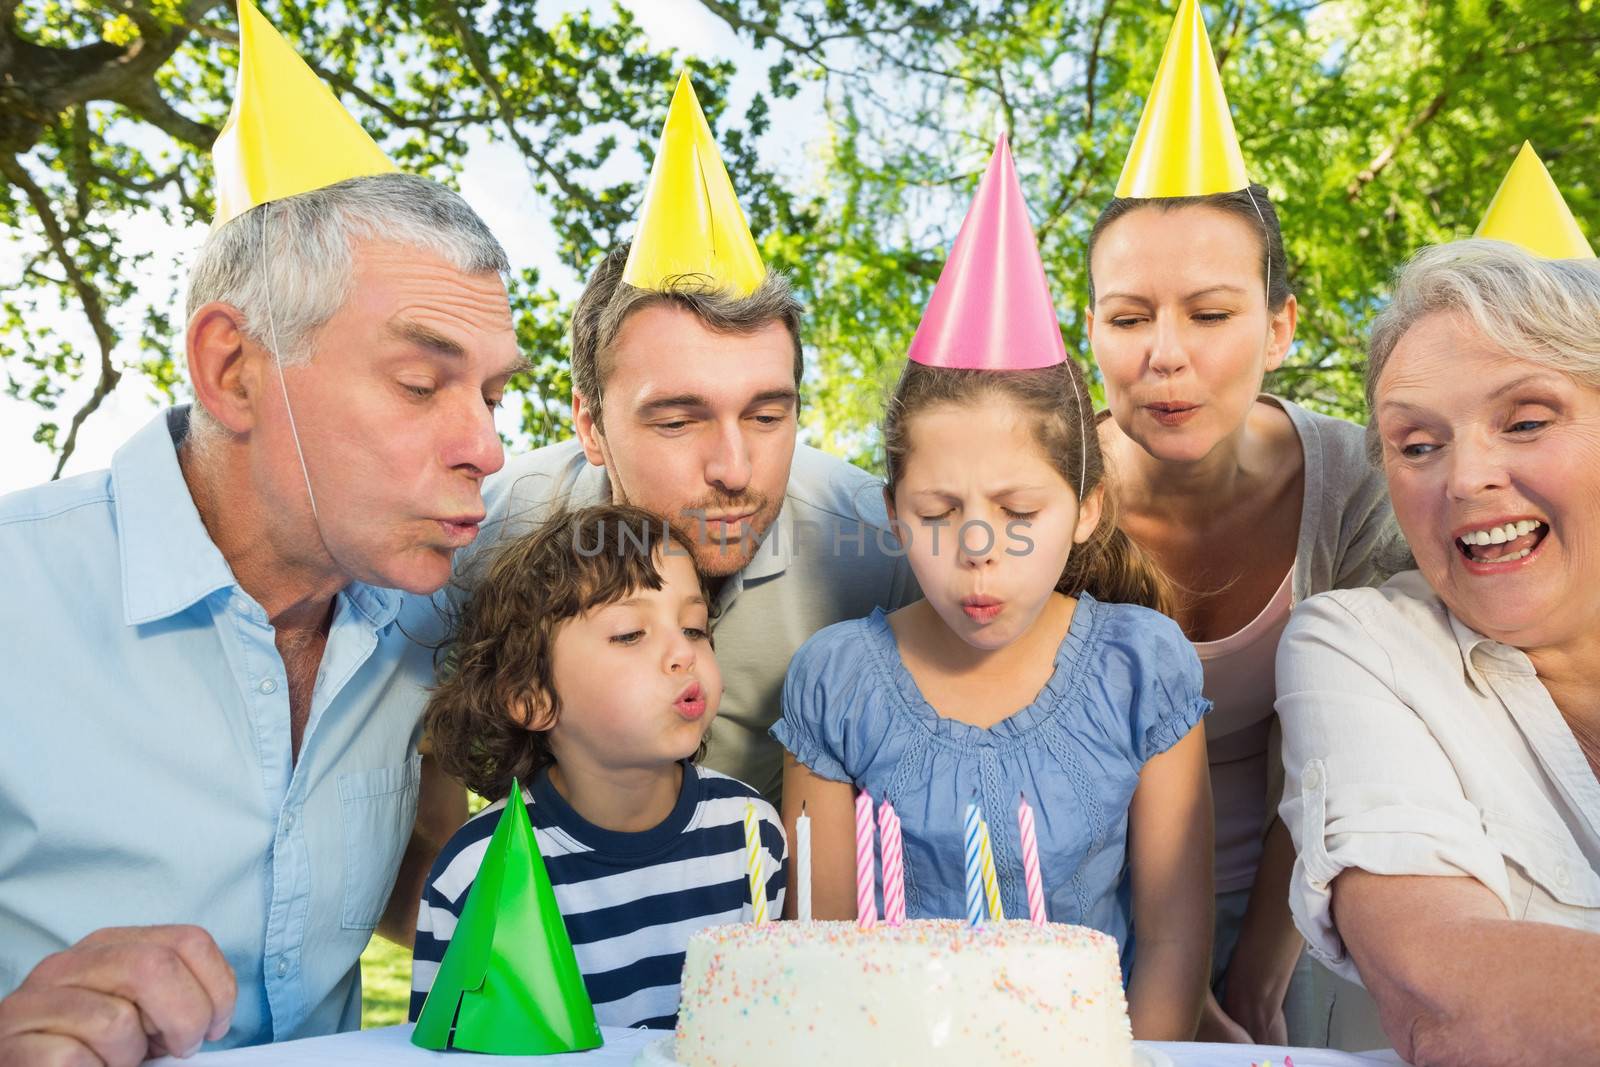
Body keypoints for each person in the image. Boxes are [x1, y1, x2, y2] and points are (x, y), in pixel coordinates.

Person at [0, 7, 518, 1059]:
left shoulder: (429, 600)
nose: (486, 447)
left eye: (494, 396)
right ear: (234, 369)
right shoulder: (18, 593)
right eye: (421, 383)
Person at [774, 139, 1213, 1041]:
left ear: (1086, 507)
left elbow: (1173, 937)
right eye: (938, 512)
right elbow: (818, 950)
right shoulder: (838, 680)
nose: (978, 550)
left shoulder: (1142, 667)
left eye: (1020, 511)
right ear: (893, 514)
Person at [1083, 0, 1406, 1046]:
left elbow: (1344, 750)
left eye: (1210, 314)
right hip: (1079, 914)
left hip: (1313, 906)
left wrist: (1258, 979)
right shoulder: (1036, 491)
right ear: (1090, 328)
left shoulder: (1360, 485)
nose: (1162, 355)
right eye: (1128, 317)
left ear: (1277, 326)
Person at [464, 75, 916, 805]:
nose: (735, 469)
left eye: (768, 417)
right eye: (677, 421)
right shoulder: (481, 536)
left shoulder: (883, 551)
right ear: (590, 424)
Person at [1278, 231, 1600, 1065]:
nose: (1465, 477)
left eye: (1526, 420)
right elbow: (1444, 995)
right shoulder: (1359, 645)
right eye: (1418, 446)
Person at [411, 504, 785, 1029]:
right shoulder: (478, 871)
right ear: (533, 698)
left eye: (695, 628)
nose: (683, 652)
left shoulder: (750, 830)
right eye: (631, 634)